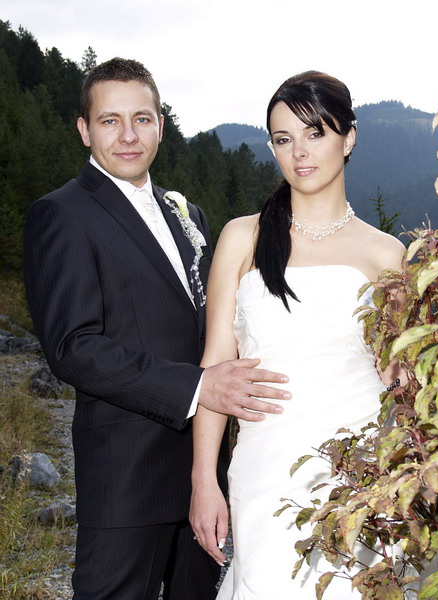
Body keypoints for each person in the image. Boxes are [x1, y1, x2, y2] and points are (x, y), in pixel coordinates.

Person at [22, 57, 292, 600]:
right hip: (127, 481)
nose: (128, 135)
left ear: (161, 126)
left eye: (142, 119)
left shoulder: (186, 214)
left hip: (203, 477)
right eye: (110, 120)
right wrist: (198, 386)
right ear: (84, 130)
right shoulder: (61, 214)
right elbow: (73, 347)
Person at [189, 70, 405, 599]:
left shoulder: (386, 254)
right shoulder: (242, 238)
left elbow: (400, 381)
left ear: (348, 137)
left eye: (315, 132)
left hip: (364, 472)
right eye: (283, 139)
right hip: (266, 468)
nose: (300, 152)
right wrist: (203, 479)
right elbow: (215, 365)